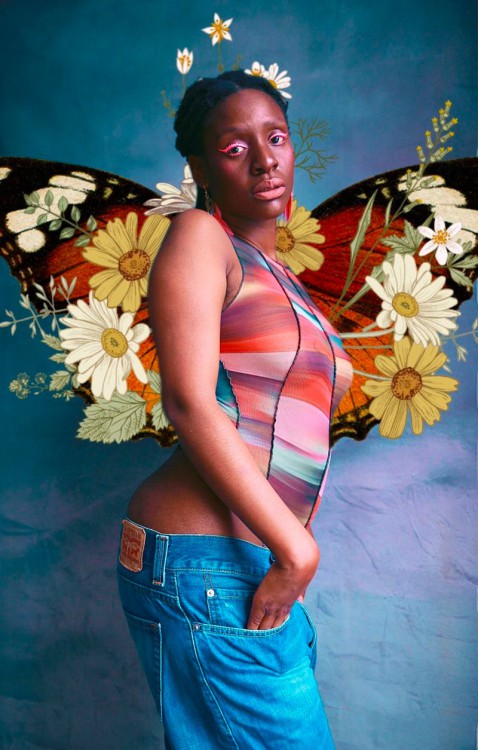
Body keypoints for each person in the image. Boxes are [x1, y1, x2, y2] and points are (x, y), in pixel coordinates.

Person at [117, 70, 352, 749]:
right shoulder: (200, 235)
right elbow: (190, 401)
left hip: (249, 561)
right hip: (207, 562)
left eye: (275, 137)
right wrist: (295, 548)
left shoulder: (280, 274)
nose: (264, 159)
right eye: (235, 147)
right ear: (200, 168)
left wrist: (287, 551)